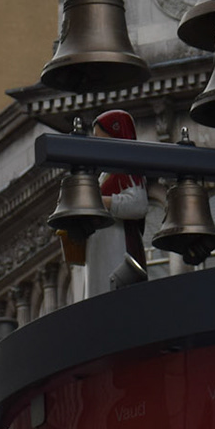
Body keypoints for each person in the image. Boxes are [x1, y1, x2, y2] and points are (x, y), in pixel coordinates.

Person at [85, 109, 150, 292]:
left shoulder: (127, 170)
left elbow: (138, 205)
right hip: (100, 248)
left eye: (101, 139)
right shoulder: (105, 175)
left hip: (118, 244)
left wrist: (100, 201)